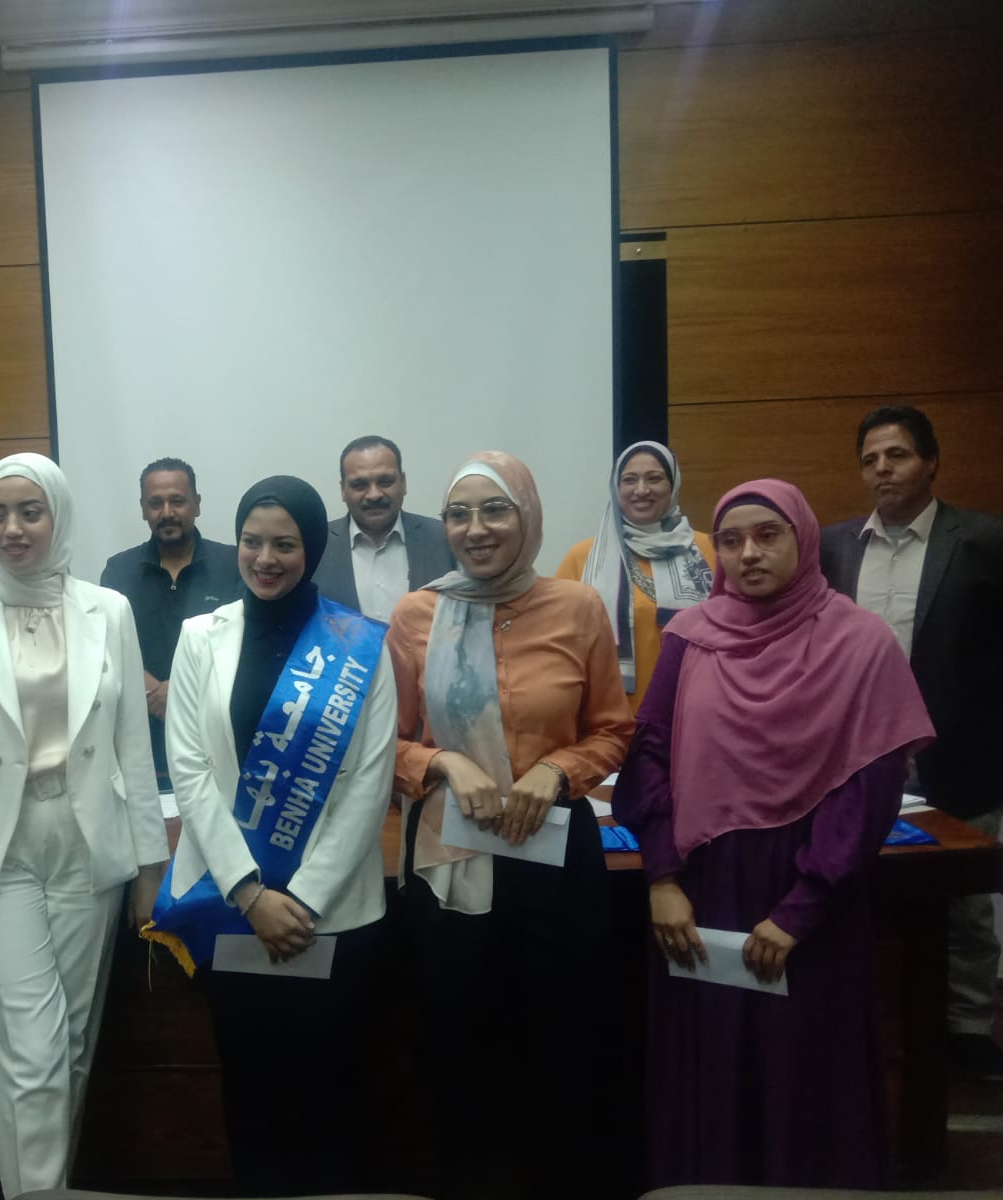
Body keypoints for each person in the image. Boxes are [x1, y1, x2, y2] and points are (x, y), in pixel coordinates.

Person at [614, 479, 934, 1189]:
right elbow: (651, 753)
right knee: (711, 1063)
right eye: (731, 541)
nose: (748, 554)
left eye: (767, 535)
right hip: (702, 891)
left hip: (809, 897)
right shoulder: (691, 636)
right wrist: (662, 878)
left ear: (804, 539)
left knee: (804, 1070)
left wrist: (799, 911)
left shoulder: (861, 643)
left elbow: (869, 788)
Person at [0, 453, 170, 1200]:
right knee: (30, 1048)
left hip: (89, 845)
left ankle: (41, 1189)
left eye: (31, 512)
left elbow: (131, 745)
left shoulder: (108, 611)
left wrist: (149, 866)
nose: (13, 529)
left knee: (71, 1046)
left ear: (58, 515)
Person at [386, 451, 633, 1200]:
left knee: (563, 1043)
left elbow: (614, 730)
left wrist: (558, 769)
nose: (476, 528)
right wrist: (440, 763)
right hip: (451, 858)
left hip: (555, 862)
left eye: (495, 509)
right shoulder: (416, 614)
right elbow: (384, 743)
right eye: (458, 514)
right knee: (460, 1045)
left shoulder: (578, 608)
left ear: (527, 516)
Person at [149, 474, 396, 1197]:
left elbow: (369, 780)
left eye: (284, 544)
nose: (265, 558)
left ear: (311, 547)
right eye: (251, 542)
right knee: (252, 1091)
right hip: (235, 909)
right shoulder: (201, 636)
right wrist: (250, 892)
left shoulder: (359, 643)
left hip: (334, 913)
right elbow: (190, 768)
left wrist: (306, 899)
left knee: (335, 1092)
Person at [818, 406, 1003, 1082]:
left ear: (930, 462)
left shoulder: (983, 540)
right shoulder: (833, 546)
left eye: (895, 455)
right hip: (856, 754)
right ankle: (879, 1019)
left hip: (959, 752)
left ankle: (966, 1027)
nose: (881, 470)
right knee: (858, 887)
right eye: (869, 460)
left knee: (968, 904)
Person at [100, 457, 238, 788]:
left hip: (216, 733)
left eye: (177, 501)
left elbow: (240, 644)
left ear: (197, 504)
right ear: (143, 509)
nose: (167, 512)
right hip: (144, 734)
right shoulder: (119, 570)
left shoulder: (233, 565)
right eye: (155, 503)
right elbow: (107, 645)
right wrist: (155, 692)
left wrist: (179, 692)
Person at [556, 439, 714, 710]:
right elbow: (560, 643)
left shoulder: (709, 550)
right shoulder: (582, 558)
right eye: (629, 480)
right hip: (611, 716)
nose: (641, 490)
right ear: (616, 488)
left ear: (673, 484)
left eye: (654, 478)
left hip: (695, 709)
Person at [311, 434, 455, 620]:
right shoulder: (316, 545)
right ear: (343, 490)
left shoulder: (445, 538)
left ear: (403, 483)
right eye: (359, 485)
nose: (374, 495)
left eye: (385, 482)